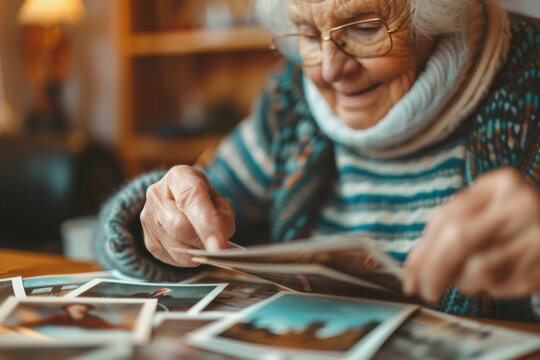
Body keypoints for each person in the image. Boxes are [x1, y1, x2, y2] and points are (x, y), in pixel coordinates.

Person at [95, 0, 540, 322]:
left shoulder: (529, 79)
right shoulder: (292, 100)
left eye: (365, 28)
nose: (330, 69)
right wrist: (156, 219)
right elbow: (197, 213)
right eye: (308, 35)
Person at [13, 303, 130, 330]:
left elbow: (108, 327)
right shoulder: (59, 317)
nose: (81, 308)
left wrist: (128, 326)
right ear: (68, 308)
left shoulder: (93, 319)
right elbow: (40, 322)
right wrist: (20, 325)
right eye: (76, 306)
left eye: (85, 307)